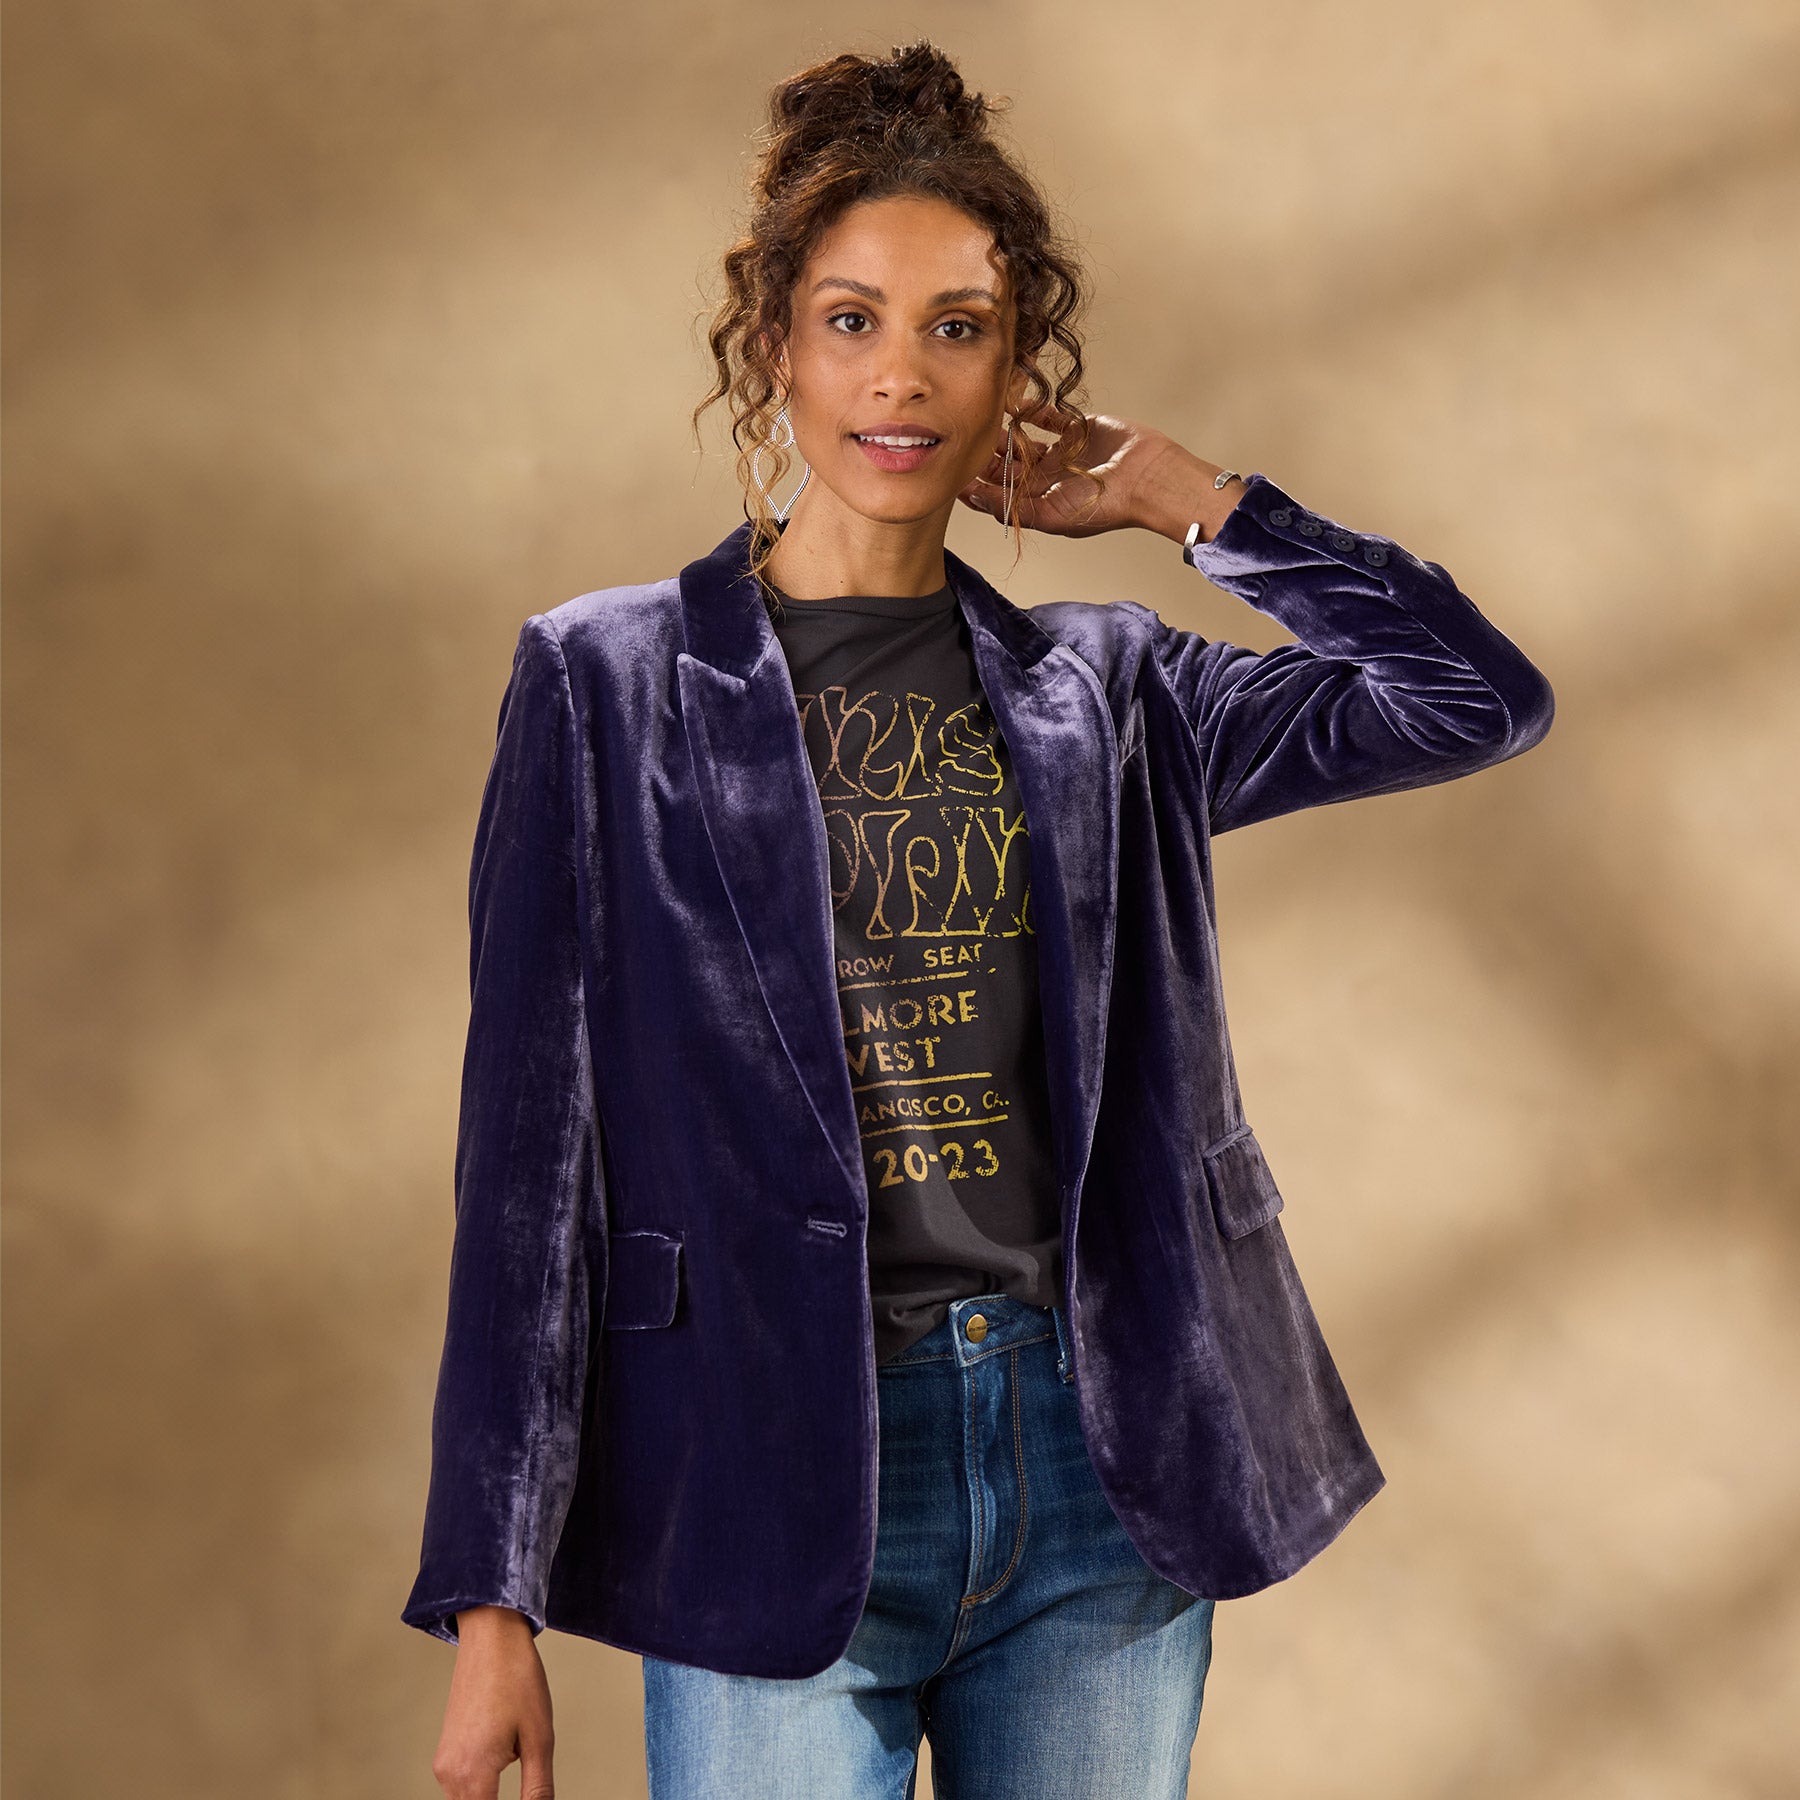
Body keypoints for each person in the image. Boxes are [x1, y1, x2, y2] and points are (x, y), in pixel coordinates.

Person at [405, 40, 1555, 1800]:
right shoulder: (607, 684)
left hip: (1098, 1462)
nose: (902, 374)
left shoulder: (1111, 692)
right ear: (774, 348)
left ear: (1017, 368)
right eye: (851, 321)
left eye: (959, 326)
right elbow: (524, 1159)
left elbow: (1476, 700)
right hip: (768, 1466)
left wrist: (1186, 502)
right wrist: (493, 1598)